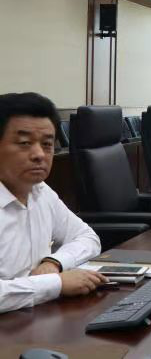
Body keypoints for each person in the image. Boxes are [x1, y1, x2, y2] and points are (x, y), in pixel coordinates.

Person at [0, 92, 106, 313]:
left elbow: (87, 237)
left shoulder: (40, 191)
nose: (39, 154)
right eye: (24, 143)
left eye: (47, 144)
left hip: (35, 318)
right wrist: (55, 284)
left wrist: (54, 262)